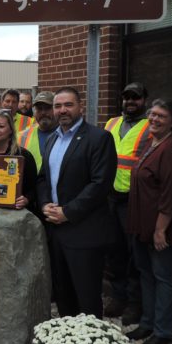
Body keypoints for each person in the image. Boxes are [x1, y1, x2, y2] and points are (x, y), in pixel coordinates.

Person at [35, 87, 117, 318]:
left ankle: (89, 340)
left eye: (68, 105)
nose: (62, 110)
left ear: (81, 107)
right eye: (58, 106)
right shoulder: (52, 139)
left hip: (85, 233)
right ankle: (67, 338)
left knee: (88, 298)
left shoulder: (99, 138)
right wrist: (44, 205)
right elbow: (43, 178)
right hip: (56, 232)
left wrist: (68, 212)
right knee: (63, 297)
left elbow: (100, 184)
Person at [126, 100, 172, 344]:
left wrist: (161, 229)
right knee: (147, 275)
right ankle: (148, 322)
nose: (154, 119)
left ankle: (163, 331)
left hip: (162, 230)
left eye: (161, 116)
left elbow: (170, 193)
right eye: (152, 114)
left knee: (164, 278)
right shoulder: (150, 143)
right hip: (142, 227)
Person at [104, 82, 150, 323]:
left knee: (135, 255)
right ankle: (118, 297)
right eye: (127, 97)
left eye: (136, 97)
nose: (130, 101)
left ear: (144, 100)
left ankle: (135, 304)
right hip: (110, 198)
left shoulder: (151, 126)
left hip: (134, 200)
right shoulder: (111, 123)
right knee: (114, 251)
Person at [17, 91, 57, 172]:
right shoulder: (21, 137)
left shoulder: (68, 135)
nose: (43, 112)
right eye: (39, 109)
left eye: (47, 108)